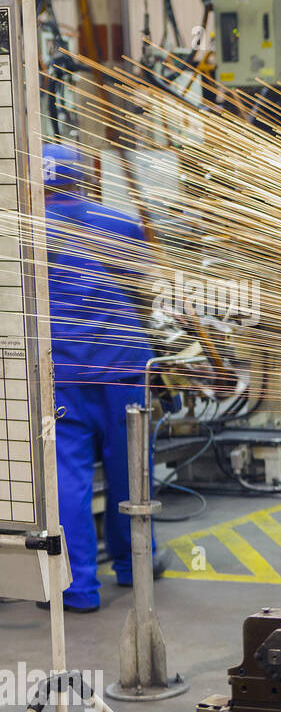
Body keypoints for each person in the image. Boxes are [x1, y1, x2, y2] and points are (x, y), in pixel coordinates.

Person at [42, 143, 160, 613]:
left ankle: (77, 589)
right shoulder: (118, 223)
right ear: (82, 178)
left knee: (67, 478)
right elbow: (147, 292)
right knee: (131, 469)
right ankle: (136, 567)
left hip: (62, 371)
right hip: (124, 367)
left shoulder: (21, 233)